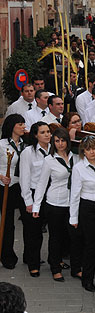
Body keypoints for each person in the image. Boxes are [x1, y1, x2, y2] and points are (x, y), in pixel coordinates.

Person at [32, 127, 81, 281]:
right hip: (55, 203)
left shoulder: (76, 158)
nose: (60, 144)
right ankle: (55, 268)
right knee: (55, 237)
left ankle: (76, 268)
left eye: (63, 141)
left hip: (72, 203)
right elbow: (41, 183)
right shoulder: (49, 160)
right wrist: (36, 206)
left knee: (75, 237)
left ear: (68, 141)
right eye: (57, 141)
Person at [69, 135, 95, 293]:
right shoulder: (79, 168)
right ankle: (87, 279)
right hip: (88, 208)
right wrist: (73, 217)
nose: (92, 152)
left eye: (94, 148)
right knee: (91, 245)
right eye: (88, 149)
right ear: (83, 151)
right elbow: (75, 194)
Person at [19, 121, 52, 277]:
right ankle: (33, 262)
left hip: (51, 194)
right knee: (34, 232)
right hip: (32, 193)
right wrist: (28, 201)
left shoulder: (54, 149)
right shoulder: (28, 152)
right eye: (43, 132)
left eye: (48, 132)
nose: (47, 135)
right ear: (35, 135)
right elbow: (24, 178)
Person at [0, 114, 27, 269]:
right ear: (12, 126)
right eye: (20, 124)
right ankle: (7, 255)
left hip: (21, 186)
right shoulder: (2, 145)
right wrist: (1, 176)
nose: (23, 127)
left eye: (23, 124)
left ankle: (30, 256)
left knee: (29, 222)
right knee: (8, 223)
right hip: (5, 187)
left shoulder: (26, 145)